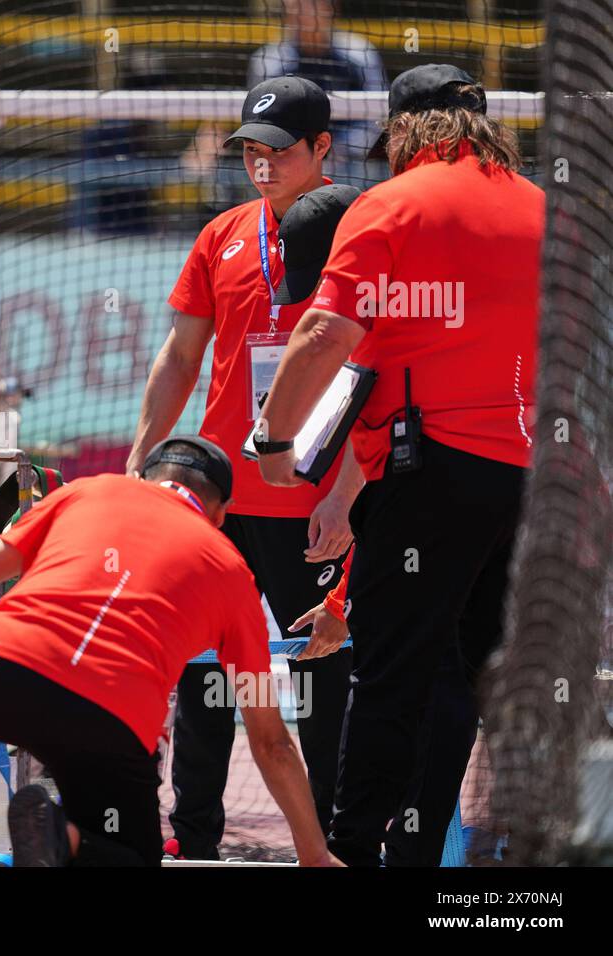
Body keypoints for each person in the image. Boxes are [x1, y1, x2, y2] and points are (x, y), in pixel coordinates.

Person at [256, 64, 543, 866]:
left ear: (405, 131)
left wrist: (274, 442)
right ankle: (419, 854)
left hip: (431, 468)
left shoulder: (396, 204)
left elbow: (326, 336)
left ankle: (349, 848)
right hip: (521, 475)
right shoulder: (541, 209)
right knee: (458, 676)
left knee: (387, 676)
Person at [0, 437, 342, 867]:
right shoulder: (232, 574)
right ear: (221, 513)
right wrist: (314, 853)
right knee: (129, 848)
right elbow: (272, 743)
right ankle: (72, 839)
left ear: (144, 479)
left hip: (7, 673)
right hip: (112, 725)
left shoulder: (90, 492)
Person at [125, 77, 363, 859]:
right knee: (202, 672)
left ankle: (324, 840)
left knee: (325, 680)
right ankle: (194, 838)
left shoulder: (360, 231)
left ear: (323, 148)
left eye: (278, 152)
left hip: (318, 500)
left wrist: (350, 493)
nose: (261, 167)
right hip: (221, 499)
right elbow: (181, 355)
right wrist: (140, 462)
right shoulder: (222, 232)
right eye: (250, 153)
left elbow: (388, 370)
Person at [248, 0, 386, 166]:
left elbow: (378, 111)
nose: (306, 12)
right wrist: (300, 148)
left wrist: (342, 148)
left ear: (330, 8)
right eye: (298, 6)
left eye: (314, 4)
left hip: (352, 160)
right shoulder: (269, 61)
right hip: (289, 156)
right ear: (287, 12)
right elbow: (264, 117)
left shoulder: (360, 53)